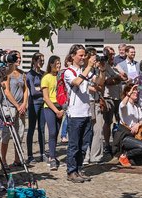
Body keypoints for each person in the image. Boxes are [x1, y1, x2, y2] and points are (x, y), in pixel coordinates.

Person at [63, 45, 99, 183]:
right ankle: (71, 171)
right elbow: (77, 82)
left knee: (84, 145)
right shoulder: (68, 71)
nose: (83, 58)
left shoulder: (85, 70)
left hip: (86, 112)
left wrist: (101, 69)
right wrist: (89, 67)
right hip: (75, 113)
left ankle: (79, 169)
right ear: (73, 56)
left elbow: (98, 82)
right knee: (74, 145)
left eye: (85, 55)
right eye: (81, 55)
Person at [0, 51, 28, 168]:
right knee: (6, 134)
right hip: (9, 107)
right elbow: (7, 91)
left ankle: (17, 158)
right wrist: (17, 105)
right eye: (17, 58)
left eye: (20, 58)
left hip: (21, 107)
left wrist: (24, 104)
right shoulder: (7, 74)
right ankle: (4, 160)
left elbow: (26, 90)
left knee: (19, 133)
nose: (19, 60)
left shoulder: (22, 74)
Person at [115, 84, 142, 167]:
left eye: (136, 91)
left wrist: (138, 124)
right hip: (124, 136)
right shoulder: (124, 105)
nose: (136, 93)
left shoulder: (137, 107)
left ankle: (126, 156)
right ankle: (124, 155)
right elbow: (122, 105)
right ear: (128, 93)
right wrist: (129, 92)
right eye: (133, 92)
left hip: (134, 136)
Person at [40, 56, 64, 171]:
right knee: (52, 132)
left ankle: (53, 154)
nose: (59, 66)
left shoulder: (60, 77)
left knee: (56, 133)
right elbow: (45, 97)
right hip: (50, 108)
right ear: (51, 64)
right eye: (57, 63)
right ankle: (52, 157)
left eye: (60, 63)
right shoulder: (46, 78)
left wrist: (62, 109)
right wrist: (56, 111)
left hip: (60, 107)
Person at [24, 53, 46, 164]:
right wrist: (42, 90)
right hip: (33, 104)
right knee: (31, 129)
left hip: (43, 104)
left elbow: (49, 89)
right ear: (34, 61)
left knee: (42, 129)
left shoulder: (43, 74)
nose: (41, 62)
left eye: (43, 60)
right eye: (40, 60)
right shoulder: (29, 75)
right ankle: (30, 155)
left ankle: (43, 153)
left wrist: (40, 89)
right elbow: (33, 91)